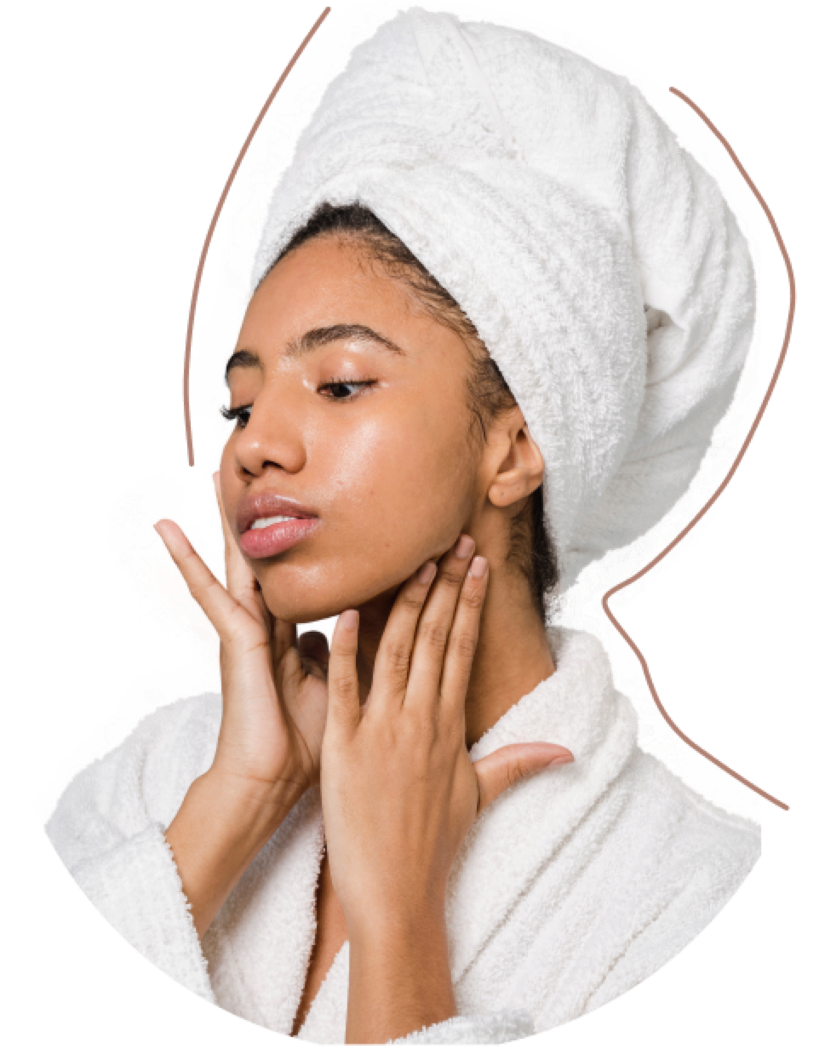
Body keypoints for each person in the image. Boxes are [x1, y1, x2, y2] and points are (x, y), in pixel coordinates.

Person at [42, 6, 763, 1045]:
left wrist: (401, 923)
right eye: (238, 403)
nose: (252, 445)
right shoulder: (153, 783)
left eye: (339, 384)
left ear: (514, 447)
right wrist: (238, 802)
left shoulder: (694, 903)